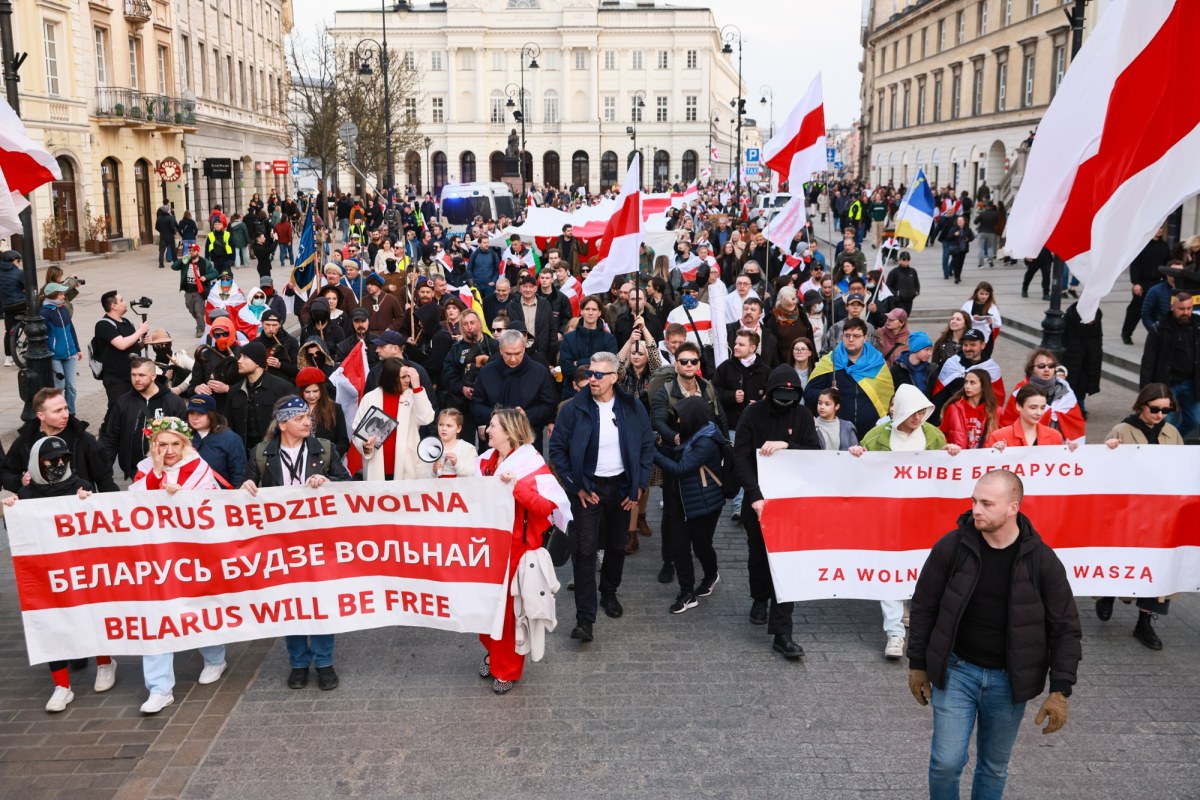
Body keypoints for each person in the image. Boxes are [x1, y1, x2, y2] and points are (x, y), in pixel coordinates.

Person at [907, 470, 1081, 800]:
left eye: (986, 504)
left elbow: (1066, 629)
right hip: (957, 671)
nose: (976, 510)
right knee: (946, 762)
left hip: (1008, 681)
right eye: (974, 501)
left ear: (1013, 507)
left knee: (994, 766)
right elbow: (924, 605)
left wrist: (1061, 690)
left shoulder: (1042, 561)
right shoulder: (952, 547)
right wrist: (917, 663)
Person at [240, 396, 350, 689]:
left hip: (320, 542)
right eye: (300, 418)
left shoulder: (324, 449)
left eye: (308, 418)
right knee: (292, 604)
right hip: (281, 544)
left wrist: (329, 484)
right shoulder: (262, 453)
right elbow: (245, 490)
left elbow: (349, 485)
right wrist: (246, 486)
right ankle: (298, 662)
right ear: (283, 423)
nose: (307, 422)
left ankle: (325, 662)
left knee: (322, 601)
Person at [2, 436, 116, 712]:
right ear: (37, 463)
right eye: (51, 461)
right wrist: (11, 512)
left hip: (81, 568)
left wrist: (88, 502)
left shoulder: (81, 486)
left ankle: (104, 662)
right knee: (53, 621)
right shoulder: (27, 495)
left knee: (90, 613)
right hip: (48, 574)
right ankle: (61, 685)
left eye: (64, 459)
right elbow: (17, 535)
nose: (58, 464)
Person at [548, 351, 654, 643]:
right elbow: (557, 450)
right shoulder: (573, 409)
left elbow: (646, 447)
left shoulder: (632, 406)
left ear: (613, 378)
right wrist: (576, 487)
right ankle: (585, 618)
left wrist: (639, 486)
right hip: (588, 490)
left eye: (598, 375)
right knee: (584, 550)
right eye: (590, 373)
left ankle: (609, 591)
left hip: (621, 488)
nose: (592, 379)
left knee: (617, 545)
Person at [851, 384, 962, 660]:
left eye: (922, 410)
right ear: (899, 410)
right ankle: (895, 633)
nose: (918, 416)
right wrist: (856, 456)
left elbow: (947, 472)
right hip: (888, 519)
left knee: (926, 571)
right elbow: (859, 474)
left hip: (924, 519)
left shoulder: (934, 435)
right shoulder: (877, 437)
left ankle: (917, 620)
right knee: (890, 572)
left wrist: (952, 453)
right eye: (913, 411)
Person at [132, 417, 226, 713]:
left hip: (192, 554)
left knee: (199, 608)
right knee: (157, 618)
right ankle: (160, 688)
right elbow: (133, 504)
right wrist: (157, 475)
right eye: (162, 444)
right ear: (153, 445)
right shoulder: (144, 469)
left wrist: (180, 498)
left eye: (175, 444)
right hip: (157, 557)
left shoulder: (198, 468)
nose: (169, 450)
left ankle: (215, 657)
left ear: (185, 444)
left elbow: (209, 509)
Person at [476, 407, 572, 694]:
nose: (487, 430)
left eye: (492, 426)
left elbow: (547, 507)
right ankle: (493, 653)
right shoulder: (485, 462)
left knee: (508, 614)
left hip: (514, 551)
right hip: (485, 548)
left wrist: (517, 488)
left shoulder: (531, 466)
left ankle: (507, 669)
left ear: (508, 432)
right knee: (484, 607)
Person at [733, 365, 820, 659]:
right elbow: (740, 458)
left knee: (785, 565)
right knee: (758, 558)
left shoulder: (804, 415)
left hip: (791, 504)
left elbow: (816, 453)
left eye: (792, 394)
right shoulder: (752, 414)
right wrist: (754, 495)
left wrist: (787, 445)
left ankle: (782, 633)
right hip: (758, 501)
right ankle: (759, 597)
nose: (786, 399)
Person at [1097, 383, 1183, 649]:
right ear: (1141, 405)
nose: (1160, 415)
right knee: (1123, 558)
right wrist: (1109, 451)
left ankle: (1144, 622)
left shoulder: (1172, 433)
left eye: (1166, 410)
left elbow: (1181, 470)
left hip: (1161, 514)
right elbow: (1103, 470)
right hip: (1129, 512)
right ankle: (1107, 592)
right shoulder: (1122, 430)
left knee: (1160, 565)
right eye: (1155, 409)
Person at [652, 396, 726, 614]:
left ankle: (711, 575)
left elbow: (680, 468)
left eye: (680, 417)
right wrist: (659, 448)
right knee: (679, 547)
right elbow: (677, 456)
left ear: (692, 418)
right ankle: (687, 593)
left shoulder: (707, 441)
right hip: (680, 499)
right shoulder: (693, 433)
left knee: (701, 546)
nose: (677, 422)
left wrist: (653, 453)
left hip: (703, 503)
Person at [1, 387, 117, 494]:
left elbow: (104, 478)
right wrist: (20, 481)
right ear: (41, 415)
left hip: (77, 508)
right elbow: (5, 473)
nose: (65, 414)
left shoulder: (83, 439)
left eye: (66, 408)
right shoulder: (26, 441)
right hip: (40, 509)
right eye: (57, 411)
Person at [805, 318, 895, 440]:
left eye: (856, 336)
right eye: (847, 335)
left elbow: (889, 397)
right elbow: (809, 393)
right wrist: (826, 394)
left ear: (865, 337)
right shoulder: (829, 362)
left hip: (872, 432)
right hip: (837, 434)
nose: (851, 339)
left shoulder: (877, 363)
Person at [101, 357, 188, 480]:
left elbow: (185, 438)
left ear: (153, 376)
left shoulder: (174, 402)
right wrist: (103, 469)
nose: (137, 379)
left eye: (141, 375)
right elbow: (111, 437)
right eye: (133, 375)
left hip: (168, 469)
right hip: (135, 471)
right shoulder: (123, 402)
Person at [471, 329, 559, 449]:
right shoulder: (487, 371)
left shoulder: (539, 372)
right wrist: (497, 416)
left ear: (524, 348)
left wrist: (525, 416)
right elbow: (477, 404)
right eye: (508, 354)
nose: (513, 359)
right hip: (494, 440)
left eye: (517, 353)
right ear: (501, 350)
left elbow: (548, 405)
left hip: (528, 439)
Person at [1139, 291, 1200, 438]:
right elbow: (1148, 361)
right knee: (1165, 423)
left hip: (1192, 383)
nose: (1185, 312)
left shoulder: (1198, 326)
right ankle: (1165, 446)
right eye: (1181, 309)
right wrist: (1144, 392)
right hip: (1167, 383)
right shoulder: (1159, 329)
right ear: (1173, 307)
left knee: (1195, 421)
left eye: (1189, 308)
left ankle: (1173, 441)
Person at [997, 348, 1086, 443]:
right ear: (1032, 369)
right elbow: (1008, 422)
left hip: (1060, 445)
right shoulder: (1020, 391)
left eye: (1051, 366)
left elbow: (1076, 422)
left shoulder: (1065, 390)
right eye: (1041, 366)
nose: (1047, 369)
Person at [225, 342, 295, 451]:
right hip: (245, 454)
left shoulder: (282, 388)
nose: (239, 361)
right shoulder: (235, 391)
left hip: (276, 452)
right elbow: (228, 426)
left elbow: (294, 422)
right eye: (240, 357)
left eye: (245, 357)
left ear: (257, 362)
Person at [94, 291, 149, 408]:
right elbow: (122, 344)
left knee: (133, 409)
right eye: (122, 300)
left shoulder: (126, 322)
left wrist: (142, 343)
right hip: (117, 379)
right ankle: (108, 427)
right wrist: (140, 331)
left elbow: (131, 346)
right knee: (116, 410)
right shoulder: (104, 325)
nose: (125, 302)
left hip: (132, 376)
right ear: (114, 306)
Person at [559, 295, 618, 400]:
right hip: (573, 392)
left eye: (594, 309)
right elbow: (566, 368)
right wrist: (596, 372)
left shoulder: (609, 339)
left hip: (601, 393)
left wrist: (579, 362)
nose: (590, 313)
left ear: (599, 312)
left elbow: (610, 367)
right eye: (587, 309)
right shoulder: (569, 338)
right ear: (581, 311)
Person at [987, 385, 1076, 450]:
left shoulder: (1055, 436)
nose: (1039, 413)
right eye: (1033, 407)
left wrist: (1071, 454)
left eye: (1042, 408)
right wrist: (995, 454)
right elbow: (991, 470)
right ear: (1018, 406)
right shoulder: (998, 436)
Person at [41, 282, 83, 414]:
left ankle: (71, 414)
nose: (63, 296)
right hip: (55, 356)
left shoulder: (63, 308)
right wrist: (50, 351)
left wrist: (77, 348)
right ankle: (58, 412)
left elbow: (71, 329)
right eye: (60, 294)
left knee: (71, 387)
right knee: (59, 387)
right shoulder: (44, 312)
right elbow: (43, 336)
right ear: (53, 295)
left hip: (70, 354)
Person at [185, 394, 245, 487]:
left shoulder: (230, 438)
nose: (194, 417)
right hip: (189, 496)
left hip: (221, 497)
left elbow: (238, 474)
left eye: (200, 414)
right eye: (191, 413)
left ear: (211, 415)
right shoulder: (184, 438)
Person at [940, 368, 999, 450]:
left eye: (972, 383)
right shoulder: (954, 408)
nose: (967, 386)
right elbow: (942, 435)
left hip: (982, 460)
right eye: (966, 382)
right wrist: (947, 448)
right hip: (957, 458)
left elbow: (999, 436)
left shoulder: (992, 411)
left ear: (983, 387)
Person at [296, 366, 348, 457]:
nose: (312, 396)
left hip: (326, 461)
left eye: (315, 391)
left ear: (322, 390)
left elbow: (343, 442)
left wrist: (329, 455)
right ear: (301, 392)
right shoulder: (294, 410)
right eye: (307, 392)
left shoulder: (335, 409)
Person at [415, 408, 478, 479]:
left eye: (449, 426)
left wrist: (457, 464)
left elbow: (474, 473)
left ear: (458, 428)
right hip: (434, 488)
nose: (444, 428)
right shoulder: (428, 447)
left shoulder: (468, 448)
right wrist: (433, 471)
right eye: (441, 424)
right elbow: (418, 474)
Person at [961, 282, 1002, 359]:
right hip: (970, 335)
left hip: (986, 337)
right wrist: (972, 318)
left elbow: (998, 323)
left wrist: (991, 321)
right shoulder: (968, 304)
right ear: (977, 293)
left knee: (984, 357)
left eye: (986, 294)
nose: (984, 296)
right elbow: (962, 318)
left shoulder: (992, 306)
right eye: (982, 294)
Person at [945, 215, 975, 285]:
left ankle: (958, 275)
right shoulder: (953, 229)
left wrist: (968, 239)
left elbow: (972, 237)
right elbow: (948, 238)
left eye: (961, 221)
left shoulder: (967, 229)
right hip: (955, 249)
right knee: (955, 263)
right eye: (958, 221)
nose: (959, 222)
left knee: (960, 263)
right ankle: (956, 277)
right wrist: (954, 235)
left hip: (963, 249)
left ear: (964, 222)